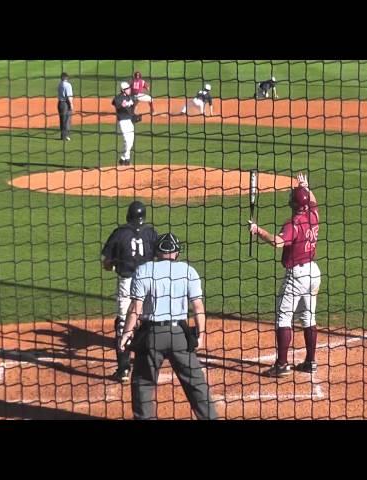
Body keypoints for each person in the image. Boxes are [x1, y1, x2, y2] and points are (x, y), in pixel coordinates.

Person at [119, 232, 218, 420]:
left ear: (156, 252)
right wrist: (201, 334)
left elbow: (136, 307)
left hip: (151, 336)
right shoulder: (189, 271)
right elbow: (198, 307)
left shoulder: (144, 270)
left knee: (143, 383)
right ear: (177, 253)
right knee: (196, 383)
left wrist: (127, 332)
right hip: (179, 335)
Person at [248, 173, 321, 377]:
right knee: (308, 316)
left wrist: (257, 230)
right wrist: (305, 187)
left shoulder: (293, 224)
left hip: (296, 274)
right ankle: (310, 362)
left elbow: (277, 242)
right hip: (313, 273)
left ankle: (281, 365)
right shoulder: (314, 216)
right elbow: (313, 202)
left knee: (283, 316)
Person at [101, 201, 159, 382]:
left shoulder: (119, 233)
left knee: (123, 323)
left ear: (129, 215)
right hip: (148, 282)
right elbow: (160, 255)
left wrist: (111, 265)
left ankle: (124, 369)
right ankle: (150, 365)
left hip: (127, 283)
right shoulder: (151, 233)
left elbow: (106, 260)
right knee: (148, 320)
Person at [112, 81, 140, 166]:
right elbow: (115, 103)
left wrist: (135, 114)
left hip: (129, 121)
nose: (129, 89)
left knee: (131, 141)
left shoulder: (130, 97)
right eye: (127, 89)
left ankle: (123, 158)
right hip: (123, 121)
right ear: (123, 90)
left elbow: (132, 109)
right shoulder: (118, 98)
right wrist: (125, 104)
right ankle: (127, 160)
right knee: (127, 141)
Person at [57, 72, 74, 141]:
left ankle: (62, 136)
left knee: (62, 120)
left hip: (60, 103)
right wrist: (71, 104)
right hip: (65, 103)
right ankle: (66, 135)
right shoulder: (68, 85)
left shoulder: (60, 84)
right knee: (67, 120)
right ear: (67, 78)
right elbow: (68, 96)